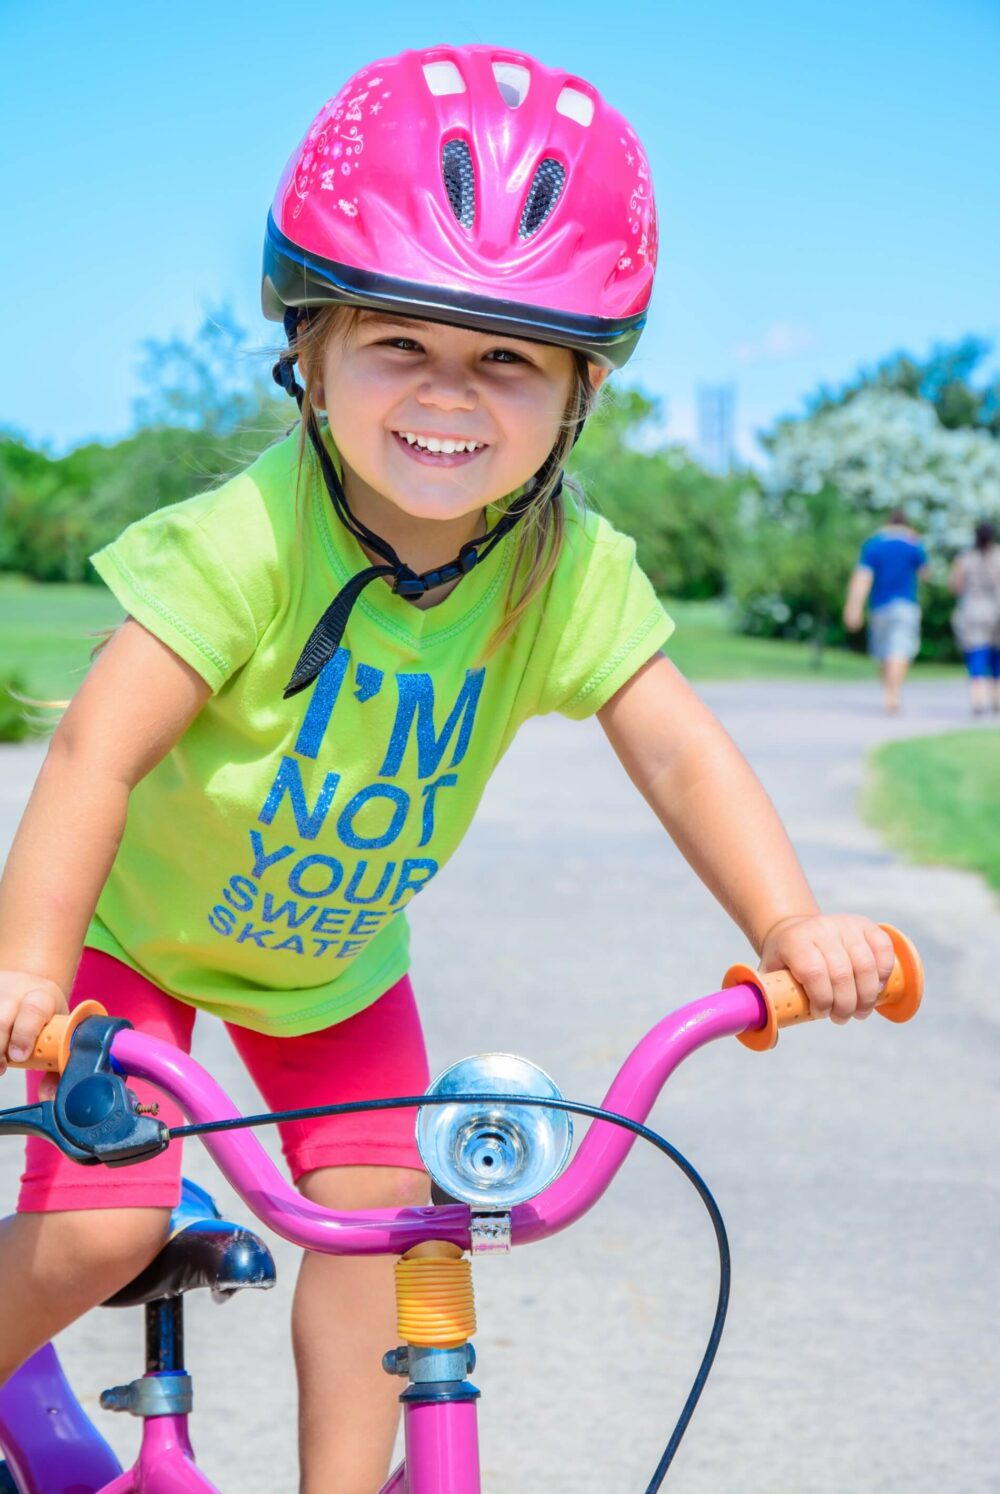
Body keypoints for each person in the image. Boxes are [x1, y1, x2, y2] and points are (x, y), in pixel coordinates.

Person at [0, 46, 898, 1493]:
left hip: (335, 967)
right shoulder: (253, 539)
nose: (449, 395)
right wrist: (28, 967)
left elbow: (675, 745)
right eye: (399, 342)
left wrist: (789, 927)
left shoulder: (558, 571)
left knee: (387, 1228)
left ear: (581, 390)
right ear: (309, 345)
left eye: (507, 358)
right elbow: (97, 752)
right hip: (131, 942)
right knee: (105, 1226)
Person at [843, 506, 929, 713]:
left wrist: (853, 607)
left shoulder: (874, 544)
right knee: (900, 649)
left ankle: (888, 693)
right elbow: (926, 574)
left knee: (883, 651)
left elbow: (862, 577)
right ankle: (895, 693)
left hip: (879, 606)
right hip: (906, 604)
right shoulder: (913, 544)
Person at [949, 519, 1000, 714]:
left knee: (977, 655)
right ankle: (997, 699)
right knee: (997, 657)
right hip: (997, 610)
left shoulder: (966, 558)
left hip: (973, 611)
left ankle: (978, 699)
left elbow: (955, 586)